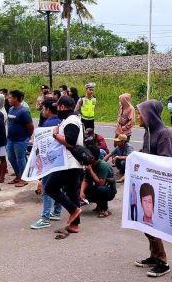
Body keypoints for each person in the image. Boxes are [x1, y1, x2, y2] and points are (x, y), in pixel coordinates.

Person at [133, 99, 172, 277]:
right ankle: (153, 255)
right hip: (146, 182)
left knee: (153, 223)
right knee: (145, 221)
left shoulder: (164, 134)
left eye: (141, 113)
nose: (138, 117)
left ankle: (162, 261)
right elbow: (145, 153)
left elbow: (166, 161)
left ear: (149, 115)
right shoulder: (148, 133)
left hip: (158, 184)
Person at [43, 95, 84, 239]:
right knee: (72, 193)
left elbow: (70, 142)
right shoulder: (70, 120)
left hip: (69, 163)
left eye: (58, 106)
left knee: (50, 188)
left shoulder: (72, 120)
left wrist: (55, 135)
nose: (57, 108)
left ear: (63, 107)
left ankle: (73, 210)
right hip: (72, 163)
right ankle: (74, 225)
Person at [30, 98, 63, 229]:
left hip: (49, 162)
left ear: (48, 110)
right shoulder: (61, 122)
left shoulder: (47, 124)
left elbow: (42, 147)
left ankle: (45, 217)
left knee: (47, 189)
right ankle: (57, 211)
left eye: (44, 108)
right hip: (60, 161)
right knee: (58, 187)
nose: (43, 111)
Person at [6, 89, 34, 187]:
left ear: (17, 99)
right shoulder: (10, 109)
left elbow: (30, 127)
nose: (8, 99)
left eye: (11, 97)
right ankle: (18, 175)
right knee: (11, 157)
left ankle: (24, 178)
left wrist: (27, 137)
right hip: (10, 139)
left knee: (20, 159)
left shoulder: (24, 111)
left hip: (21, 140)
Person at [80, 145, 116, 218]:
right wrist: (81, 192)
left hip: (109, 190)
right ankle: (99, 205)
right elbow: (86, 180)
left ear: (92, 158)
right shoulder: (90, 164)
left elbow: (101, 183)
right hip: (97, 187)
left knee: (101, 189)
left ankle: (104, 210)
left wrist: (90, 170)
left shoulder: (102, 165)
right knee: (79, 186)